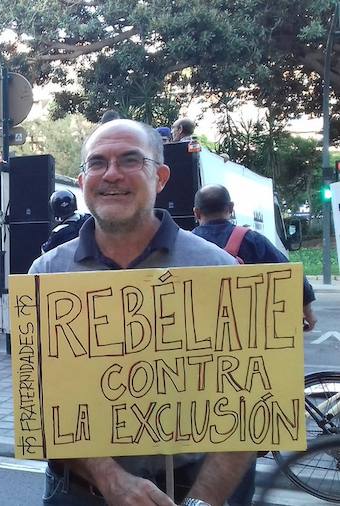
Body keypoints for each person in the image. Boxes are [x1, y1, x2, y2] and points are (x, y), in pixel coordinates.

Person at [29, 119, 254, 506]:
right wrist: (110, 478)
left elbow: (250, 406)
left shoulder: (217, 271)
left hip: (197, 487)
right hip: (82, 490)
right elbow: (39, 400)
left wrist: (200, 502)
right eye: (97, 163)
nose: (111, 174)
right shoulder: (45, 276)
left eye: (131, 160)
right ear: (82, 182)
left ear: (161, 177)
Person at [192, 184, 316, 330]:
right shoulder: (253, 240)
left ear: (196, 213)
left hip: (199, 329)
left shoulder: (185, 244)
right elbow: (291, 273)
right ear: (231, 208)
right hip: (246, 329)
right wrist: (308, 312)